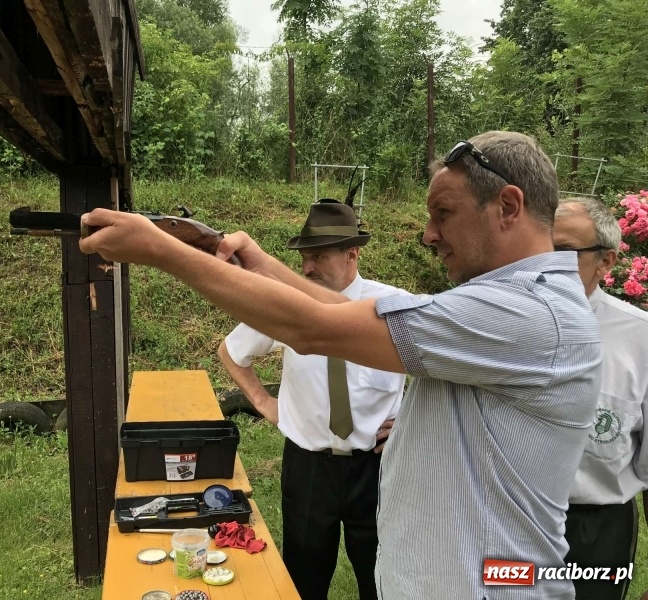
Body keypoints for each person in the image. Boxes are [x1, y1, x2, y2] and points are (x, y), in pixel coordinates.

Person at [79, 130, 602, 599]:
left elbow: (317, 329)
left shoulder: (526, 311)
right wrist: (261, 264)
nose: (429, 234)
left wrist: (162, 251)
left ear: (508, 206)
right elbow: (336, 311)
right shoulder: (519, 302)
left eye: (443, 213)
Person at [218, 199, 407, 600]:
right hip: (309, 468)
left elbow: (434, 371)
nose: (306, 268)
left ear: (352, 253)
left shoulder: (390, 308)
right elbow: (232, 352)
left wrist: (411, 420)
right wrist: (263, 402)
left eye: (318, 256)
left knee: (383, 578)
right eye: (304, 258)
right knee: (303, 579)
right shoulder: (289, 308)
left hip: (376, 468)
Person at [553, 197, 648, 600]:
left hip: (596, 530)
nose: (546, 262)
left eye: (564, 251)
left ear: (606, 261)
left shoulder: (640, 339)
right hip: (510, 522)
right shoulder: (498, 327)